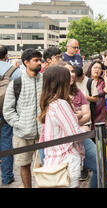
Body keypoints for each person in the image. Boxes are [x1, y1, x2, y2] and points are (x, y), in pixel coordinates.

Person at [37, 65, 86, 188]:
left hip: (54, 162)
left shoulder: (51, 103)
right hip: (66, 162)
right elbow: (75, 135)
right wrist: (85, 129)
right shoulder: (60, 104)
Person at [3, 48, 43, 188]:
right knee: (24, 165)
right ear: (26, 62)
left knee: (42, 165)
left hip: (43, 133)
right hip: (22, 134)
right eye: (36, 60)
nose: (39, 63)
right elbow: (8, 110)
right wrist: (19, 124)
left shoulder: (45, 81)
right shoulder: (16, 83)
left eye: (40, 60)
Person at [0, 45, 21, 186]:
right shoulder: (13, 70)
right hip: (4, 111)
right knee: (6, 143)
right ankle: (7, 177)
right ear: (6, 55)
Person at [85, 61, 107, 128]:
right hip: (88, 110)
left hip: (101, 112)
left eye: (99, 68)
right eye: (95, 68)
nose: (97, 70)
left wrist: (105, 77)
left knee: (102, 132)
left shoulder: (102, 82)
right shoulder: (85, 81)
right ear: (90, 69)